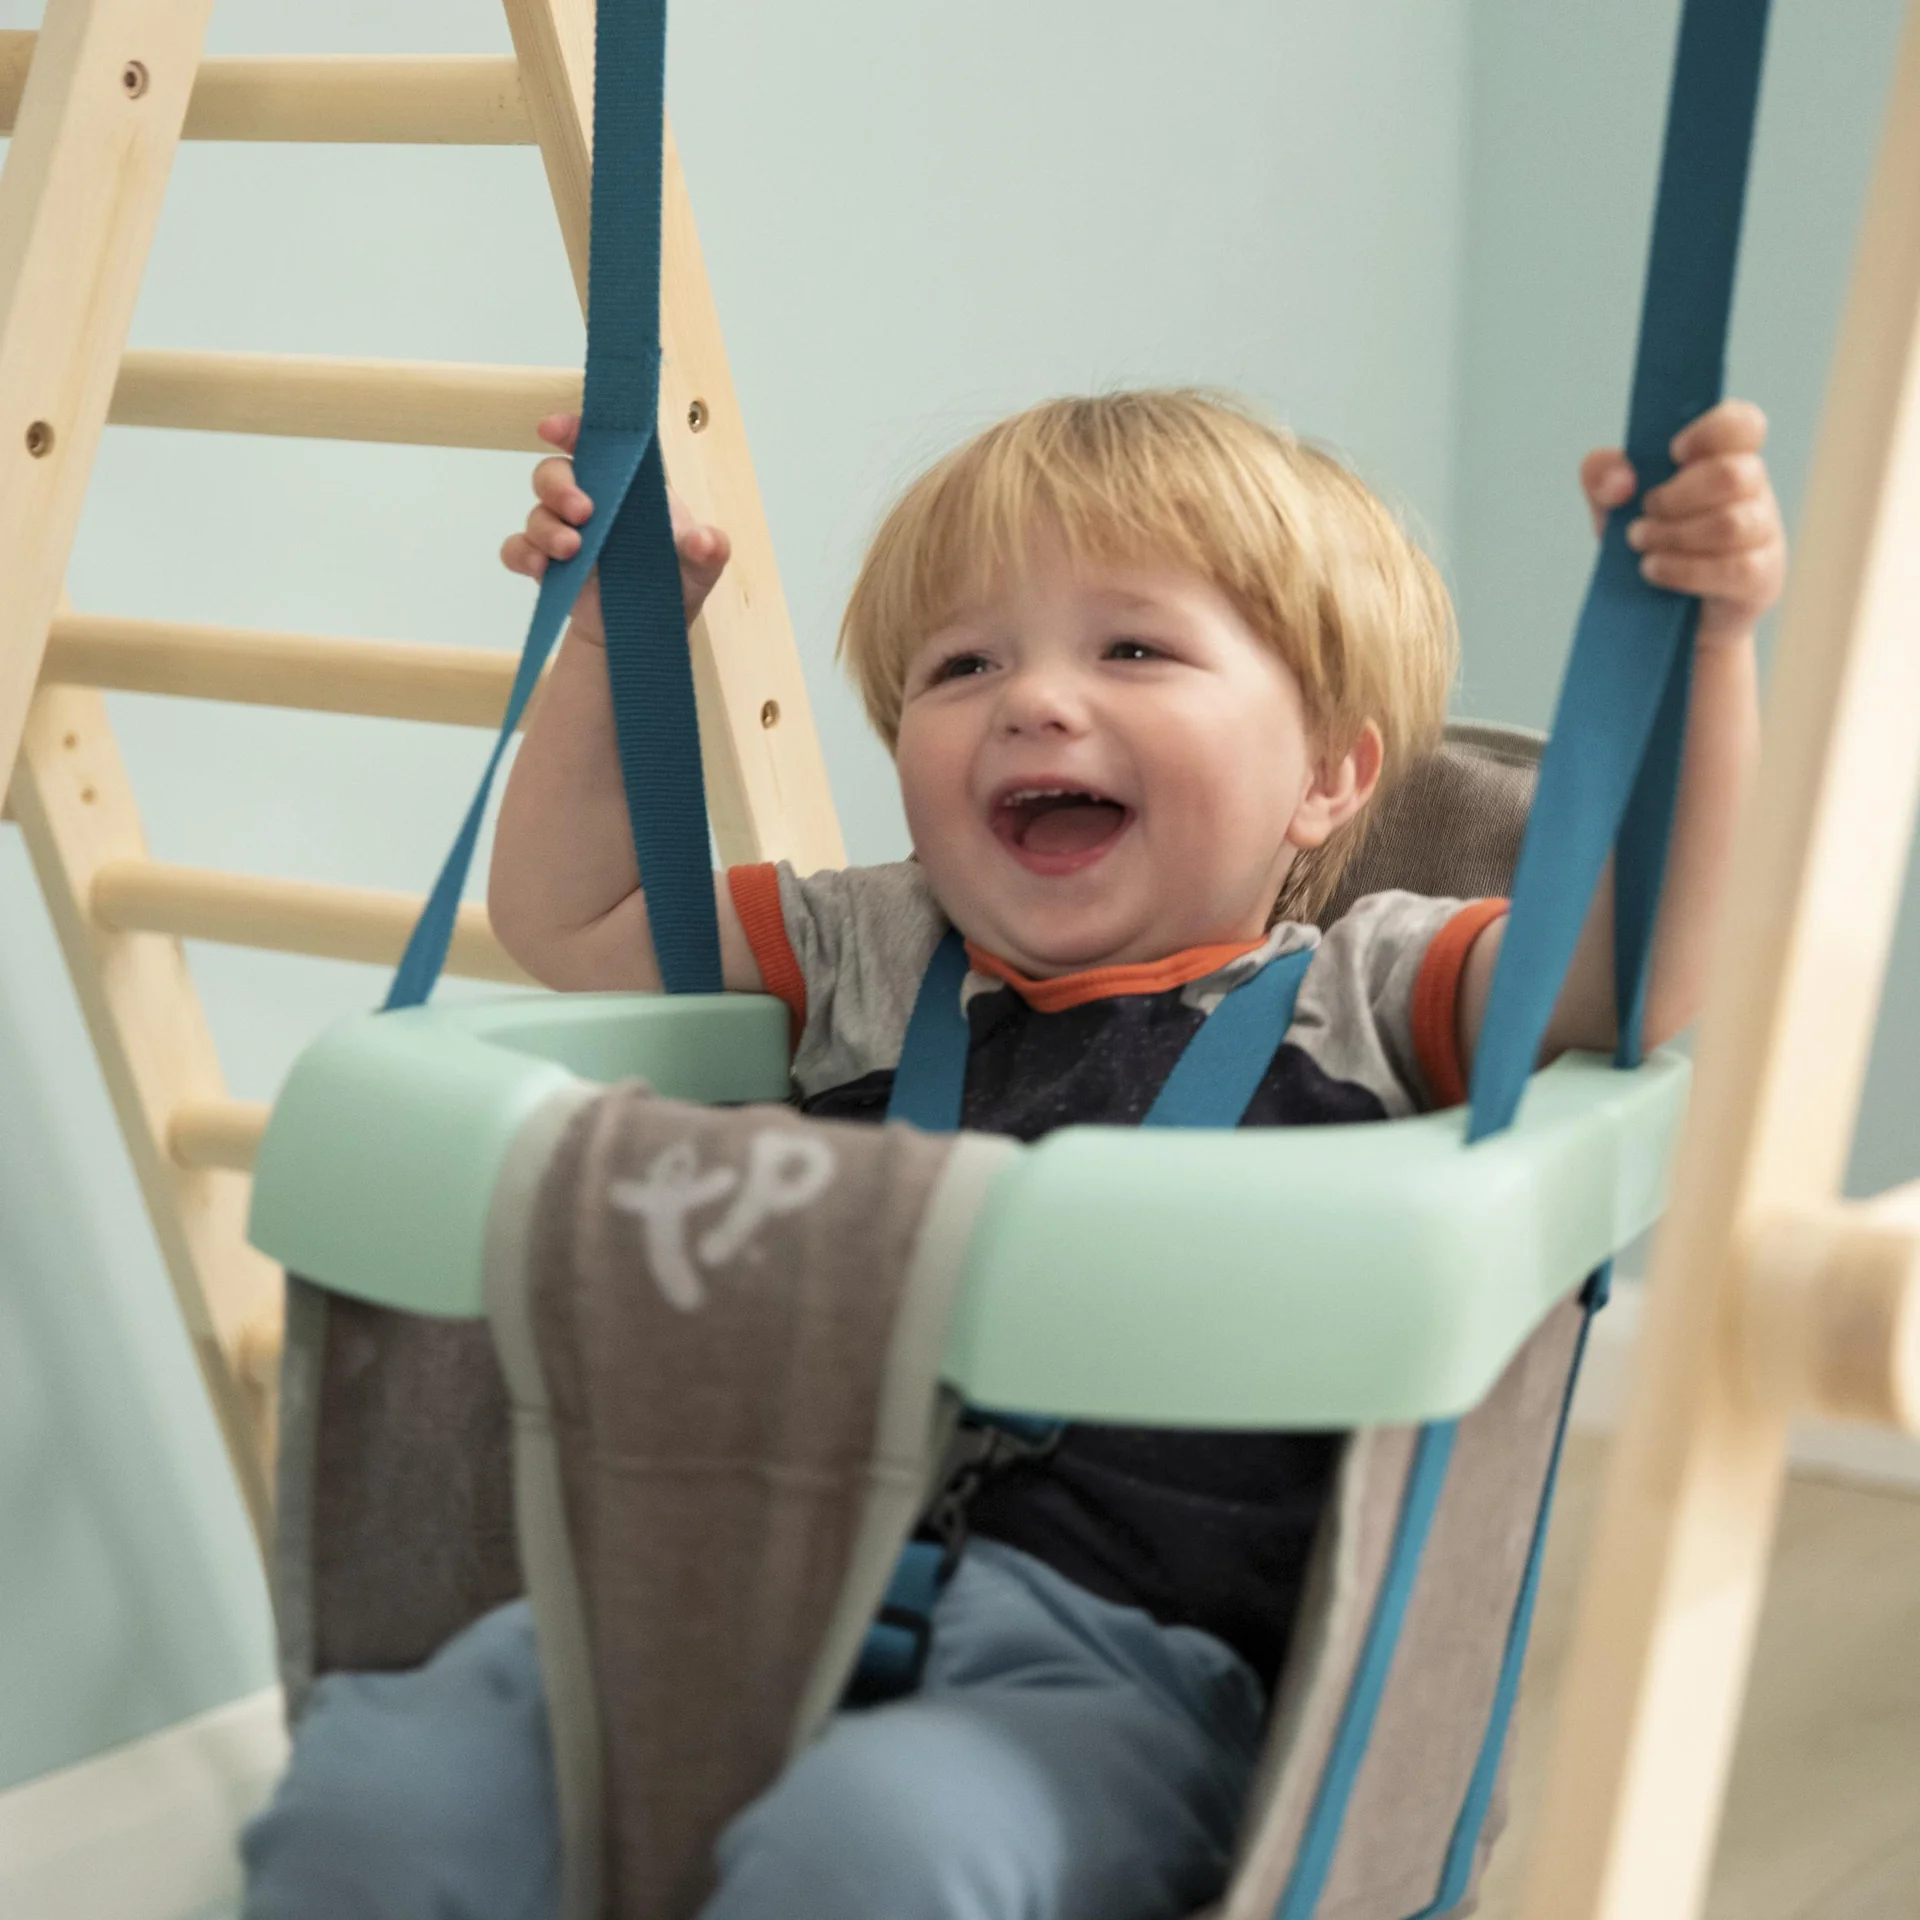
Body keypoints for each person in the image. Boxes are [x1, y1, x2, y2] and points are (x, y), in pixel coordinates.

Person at [242, 388, 1784, 1920]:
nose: (1034, 700)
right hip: (732, 1578)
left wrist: (1702, 650)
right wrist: (609, 642)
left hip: (1122, 1665)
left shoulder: (1370, 992)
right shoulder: (869, 955)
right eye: (963, 664)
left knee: (883, 1854)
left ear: (1326, 775)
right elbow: (574, 919)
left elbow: (1640, 967)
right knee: (388, 1798)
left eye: (1135, 651)